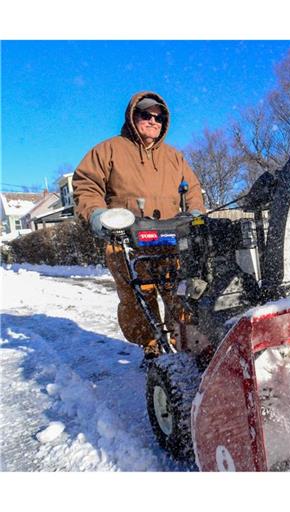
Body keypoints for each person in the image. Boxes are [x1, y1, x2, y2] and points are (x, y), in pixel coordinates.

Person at [73, 91, 205, 359]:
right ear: (133, 116)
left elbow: (192, 189)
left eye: (159, 117)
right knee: (137, 300)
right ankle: (152, 348)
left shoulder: (174, 157)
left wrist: (194, 213)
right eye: (146, 114)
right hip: (127, 241)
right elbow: (86, 186)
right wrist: (97, 214)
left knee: (180, 292)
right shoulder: (109, 150)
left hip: (169, 237)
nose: (153, 121)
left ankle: (185, 345)